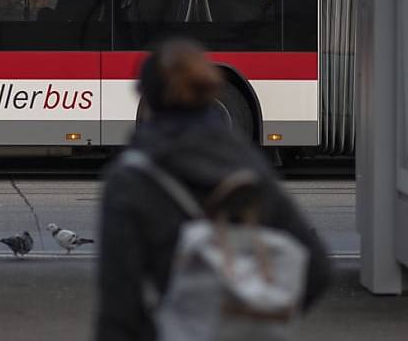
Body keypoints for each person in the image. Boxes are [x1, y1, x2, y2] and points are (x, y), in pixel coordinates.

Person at [96, 38, 330, 341]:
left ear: (146, 98)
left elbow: (119, 310)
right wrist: (259, 318)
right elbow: (317, 269)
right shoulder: (247, 165)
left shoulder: (129, 179)